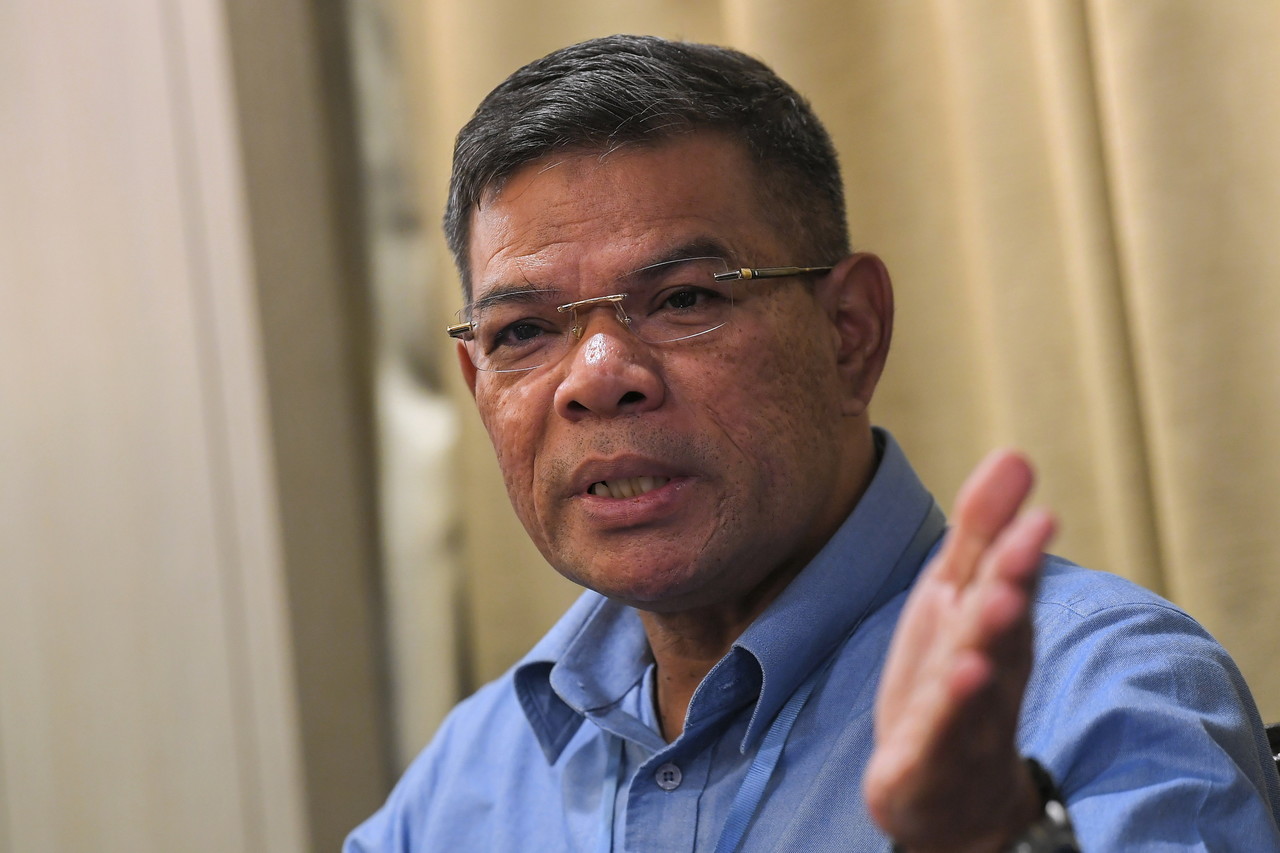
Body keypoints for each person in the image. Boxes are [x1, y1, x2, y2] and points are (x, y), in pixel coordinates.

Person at [346, 34, 1280, 851]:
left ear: (849, 334)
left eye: (684, 299)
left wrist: (992, 841)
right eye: (522, 331)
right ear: (477, 383)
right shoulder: (466, 780)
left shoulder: (1096, 689)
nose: (597, 375)